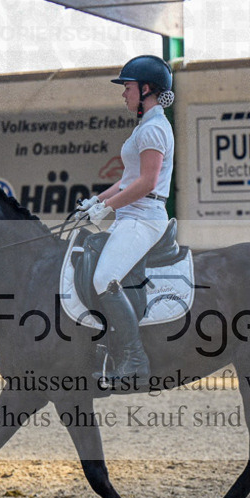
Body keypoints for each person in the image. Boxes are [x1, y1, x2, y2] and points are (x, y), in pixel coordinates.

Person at [78, 55, 175, 383]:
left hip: (145, 217)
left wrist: (106, 210)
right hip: (131, 215)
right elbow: (127, 179)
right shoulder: (145, 127)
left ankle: (134, 358)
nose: (124, 94)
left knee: (105, 278)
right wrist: (98, 200)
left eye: (128, 87)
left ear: (146, 89)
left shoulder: (155, 129)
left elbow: (147, 183)